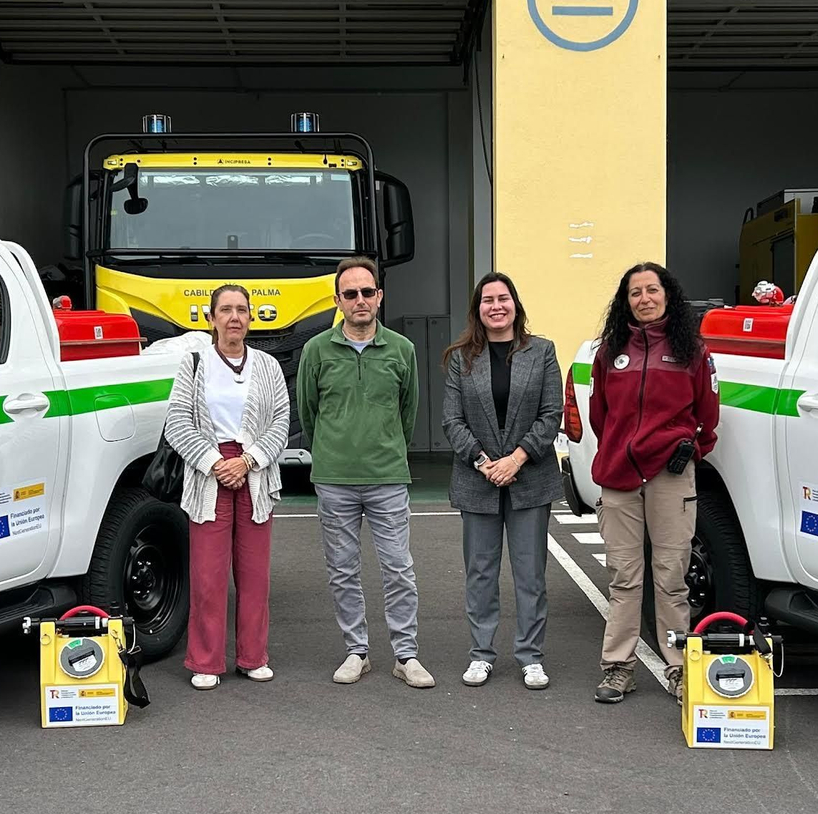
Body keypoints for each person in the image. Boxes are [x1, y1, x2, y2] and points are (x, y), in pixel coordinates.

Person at [296, 257, 435, 689]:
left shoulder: (402, 350)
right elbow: (308, 412)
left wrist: (384, 447)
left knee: (398, 568)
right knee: (342, 569)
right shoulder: (316, 350)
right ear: (338, 301)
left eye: (367, 292)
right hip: (335, 479)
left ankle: (405, 655)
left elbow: (407, 413)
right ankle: (356, 650)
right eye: (350, 293)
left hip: (388, 477)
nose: (360, 300)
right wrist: (333, 452)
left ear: (379, 296)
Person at [588, 261, 720, 704]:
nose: (644, 299)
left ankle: (680, 667)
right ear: (625, 301)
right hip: (620, 477)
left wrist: (687, 448)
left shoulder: (693, 351)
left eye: (652, 290)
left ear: (668, 294)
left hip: (670, 477)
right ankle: (618, 667)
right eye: (634, 293)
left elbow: (707, 416)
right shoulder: (610, 352)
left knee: (671, 576)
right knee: (624, 577)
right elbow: (600, 415)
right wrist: (622, 449)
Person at [162, 283, 291, 690]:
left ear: (251, 318)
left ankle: (253, 657)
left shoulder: (268, 366)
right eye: (226, 310)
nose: (234, 317)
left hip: (254, 474)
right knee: (208, 575)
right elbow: (177, 422)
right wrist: (216, 463)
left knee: (255, 575)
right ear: (211, 317)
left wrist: (248, 460)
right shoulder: (194, 364)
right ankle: (205, 660)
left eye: (242, 310)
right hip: (209, 475)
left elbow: (282, 423)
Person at [440, 272, 562, 691]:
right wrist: (482, 461)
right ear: (478, 309)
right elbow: (451, 420)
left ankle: (531, 657)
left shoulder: (542, 351)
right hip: (479, 479)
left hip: (530, 478)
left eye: (503, 298)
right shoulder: (461, 358)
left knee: (530, 575)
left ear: (515, 305)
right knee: (480, 573)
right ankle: (481, 655)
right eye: (487, 300)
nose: (496, 306)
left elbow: (551, 413)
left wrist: (516, 459)